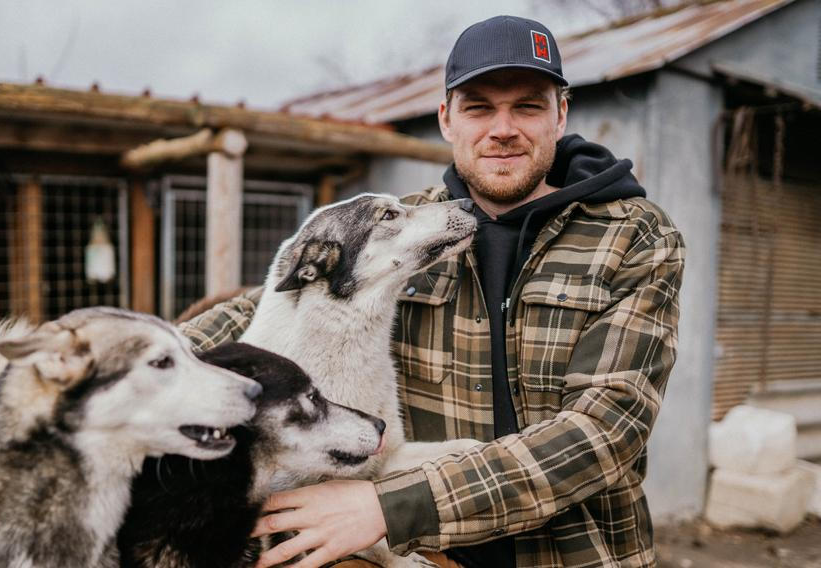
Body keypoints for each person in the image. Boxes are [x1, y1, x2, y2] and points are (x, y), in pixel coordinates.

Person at [180, 15, 684, 568]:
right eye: (479, 107)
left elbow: (605, 431)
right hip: (428, 557)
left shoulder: (633, 238)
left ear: (561, 113)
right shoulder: (412, 229)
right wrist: (124, 355)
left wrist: (390, 508)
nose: (503, 128)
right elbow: (271, 306)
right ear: (446, 118)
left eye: (528, 106)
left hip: (573, 554)